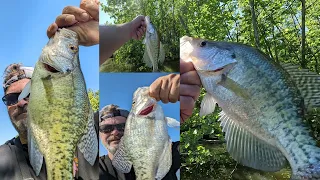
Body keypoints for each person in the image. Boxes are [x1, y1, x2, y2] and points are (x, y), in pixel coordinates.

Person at [0, 0, 100, 179]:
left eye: (27, 94)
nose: (21, 102)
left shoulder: (101, 137)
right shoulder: (2, 161)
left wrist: (108, 32)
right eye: (11, 99)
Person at [99, 74, 180, 180]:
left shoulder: (172, 151)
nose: (115, 132)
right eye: (106, 128)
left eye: (121, 126)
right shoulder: (98, 168)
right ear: (99, 133)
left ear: (129, 129)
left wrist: (183, 85)